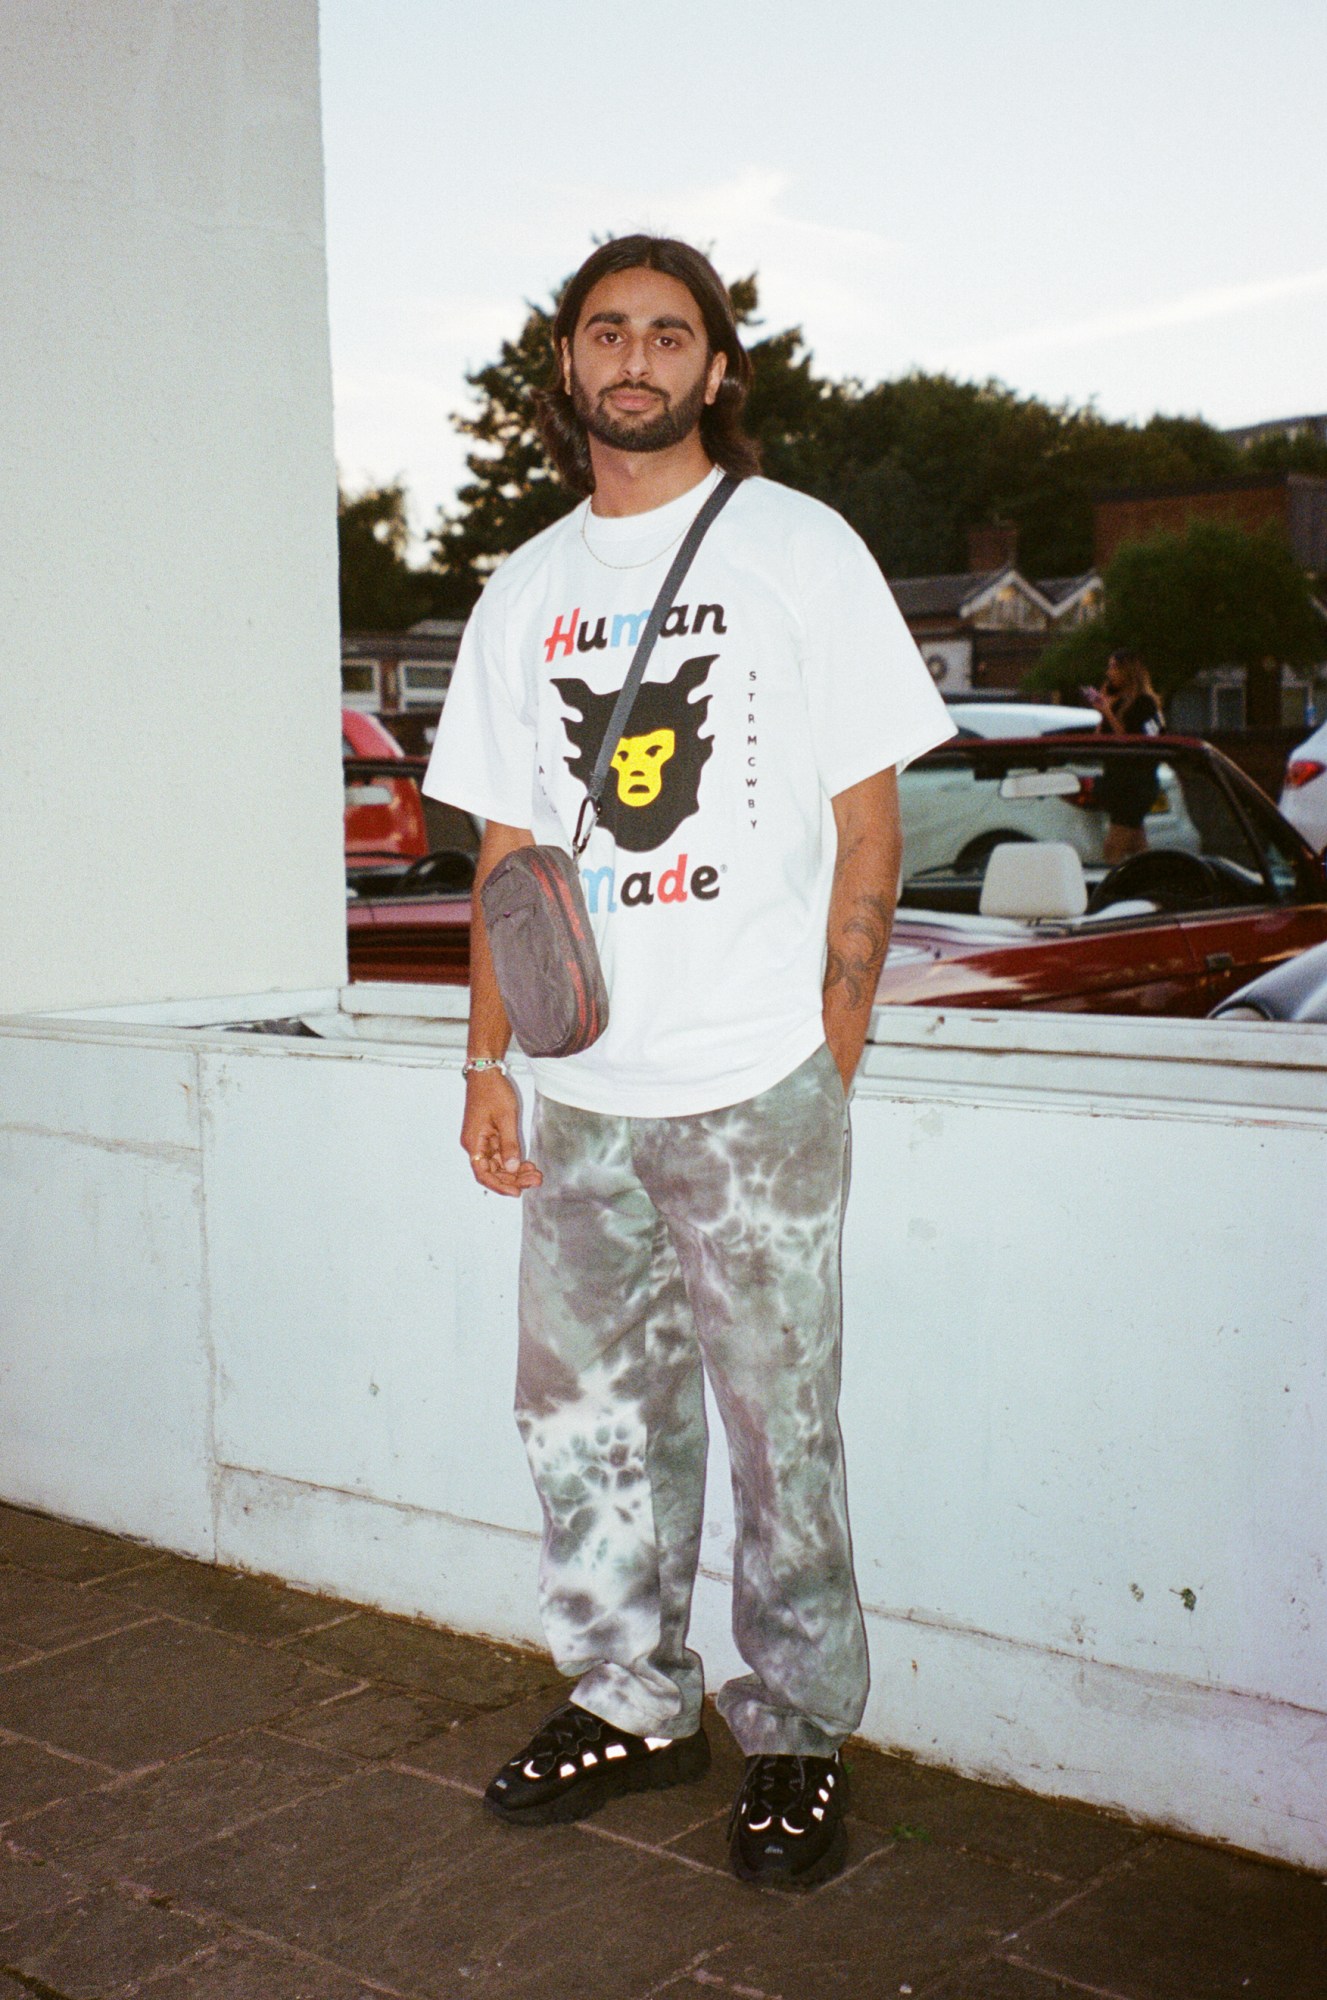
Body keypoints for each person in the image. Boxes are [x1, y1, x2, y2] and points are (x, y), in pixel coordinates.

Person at [422, 235, 954, 1889]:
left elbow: (869, 825)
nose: (635, 356)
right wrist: (486, 1063)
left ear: (718, 368)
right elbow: (509, 850)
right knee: (585, 1424)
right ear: (568, 367)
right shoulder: (523, 588)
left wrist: (830, 1045)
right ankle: (631, 1701)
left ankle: (793, 1737)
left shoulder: (800, 548)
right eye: (605, 331)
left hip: (752, 1085)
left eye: (670, 332)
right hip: (580, 1095)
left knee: (780, 1424)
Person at [1086, 650, 1165, 864]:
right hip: (1117, 780)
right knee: (1137, 846)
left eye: (1113, 667)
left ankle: (1116, 893)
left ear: (1127, 670)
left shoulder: (1144, 703)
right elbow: (1101, 737)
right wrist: (1103, 711)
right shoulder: (1117, 701)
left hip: (1136, 783)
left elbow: (1132, 740)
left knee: (1113, 849)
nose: (1108, 672)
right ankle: (1151, 884)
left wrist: (1109, 713)